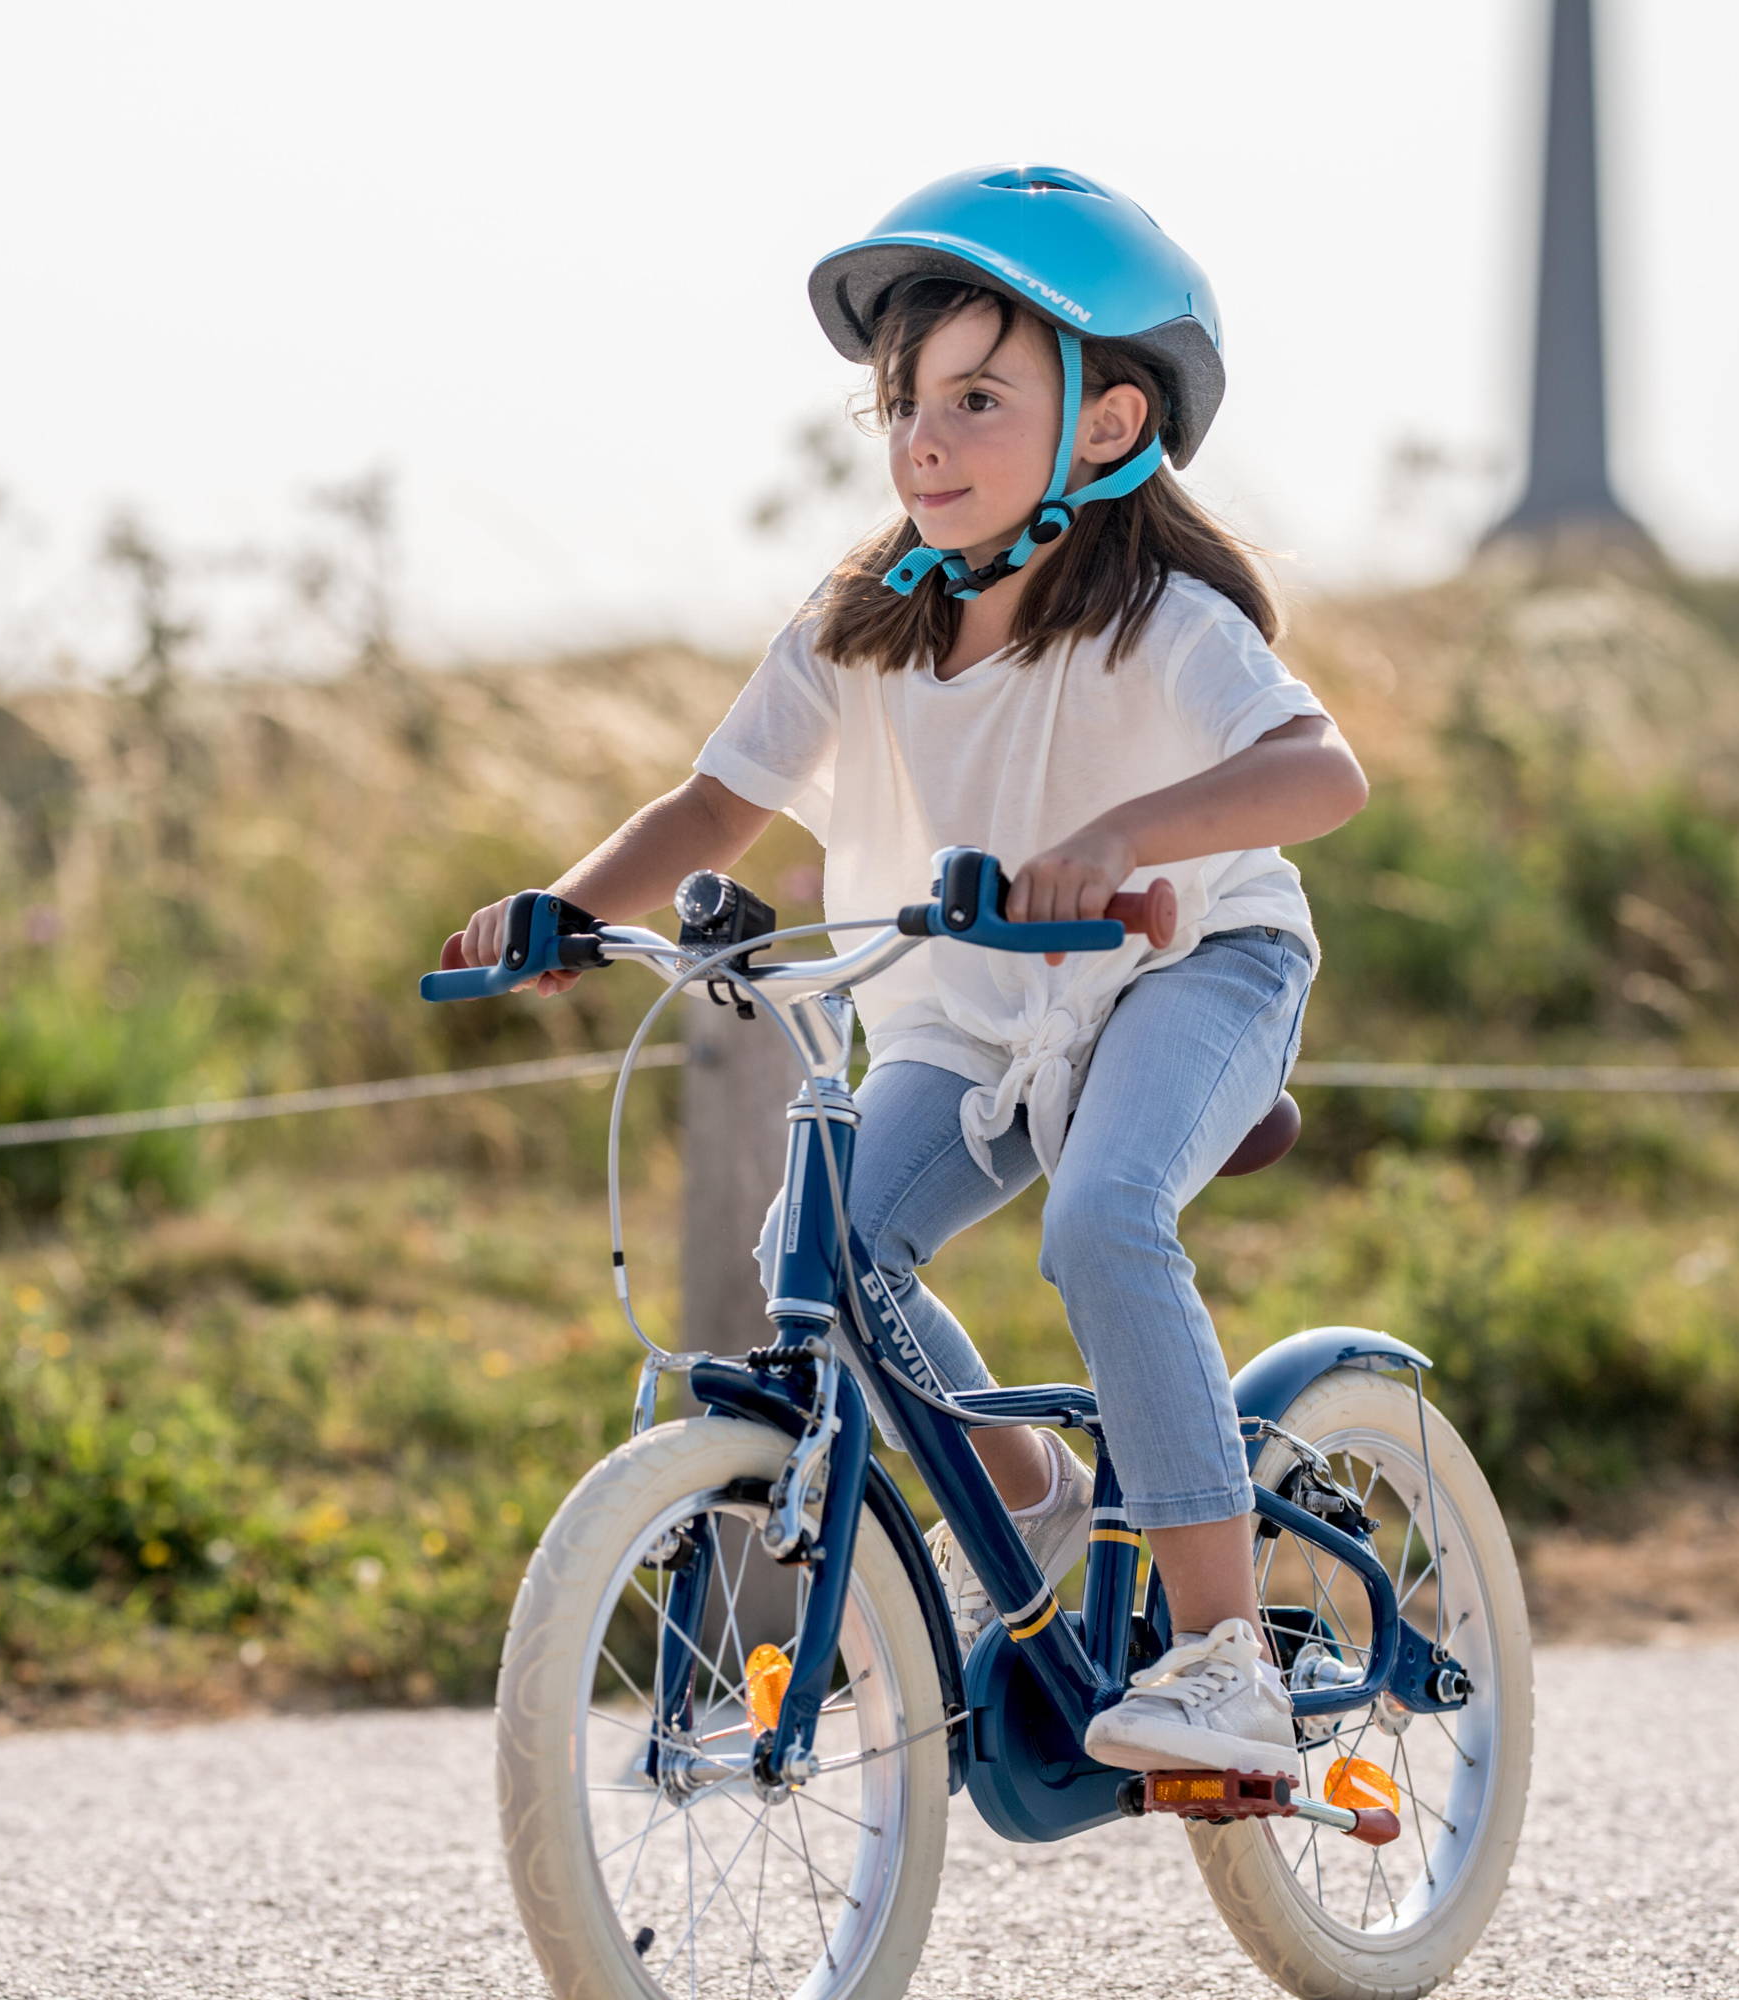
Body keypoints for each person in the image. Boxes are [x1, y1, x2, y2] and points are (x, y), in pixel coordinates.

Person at [451, 165, 1367, 1777]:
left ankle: (1226, 1656)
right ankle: (1033, 1496)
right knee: (824, 1248)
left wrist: (1123, 836)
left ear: (1107, 423)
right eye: (903, 405)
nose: (922, 442)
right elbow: (715, 804)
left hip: (1192, 961)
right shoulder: (863, 619)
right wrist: (565, 909)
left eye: (976, 401)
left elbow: (1321, 774)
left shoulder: (1159, 618)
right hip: (977, 1000)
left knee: (1104, 1217)